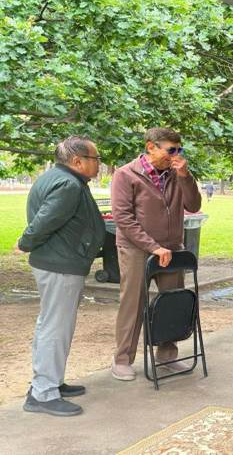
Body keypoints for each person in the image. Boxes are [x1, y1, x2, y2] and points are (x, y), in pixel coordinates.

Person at [18, 136, 105, 417]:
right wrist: (25, 242)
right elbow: (45, 220)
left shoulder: (60, 178)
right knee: (56, 327)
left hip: (61, 261)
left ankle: (50, 382)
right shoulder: (68, 184)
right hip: (60, 264)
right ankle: (43, 393)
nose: (99, 165)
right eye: (96, 159)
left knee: (53, 325)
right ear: (78, 161)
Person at [111, 127, 201, 381]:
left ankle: (167, 356)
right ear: (151, 147)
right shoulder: (126, 174)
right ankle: (122, 359)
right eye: (170, 150)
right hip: (136, 248)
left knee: (172, 301)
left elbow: (193, 205)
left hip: (171, 248)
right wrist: (153, 247)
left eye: (179, 149)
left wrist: (185, 176)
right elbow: (123, 219)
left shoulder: (177, 173)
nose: (175, 155)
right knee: (133, 303)